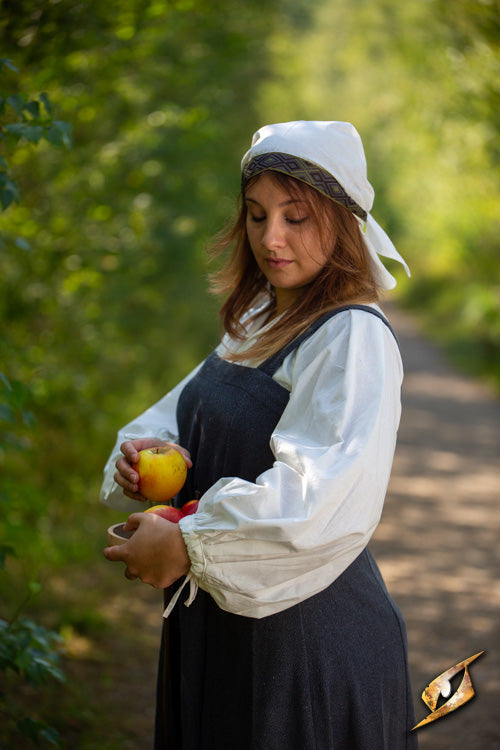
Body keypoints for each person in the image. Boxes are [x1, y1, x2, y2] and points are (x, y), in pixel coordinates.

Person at [101, 120, 418, 749]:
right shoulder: (261, 315)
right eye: (255, 215)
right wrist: (140, 455)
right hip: (223, 627)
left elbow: (314, 501)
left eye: (295, 217)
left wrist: (188, 544)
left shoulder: (350, 336)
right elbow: (175, 412)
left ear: (344, 221)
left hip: (302, 645)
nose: (270, 238)